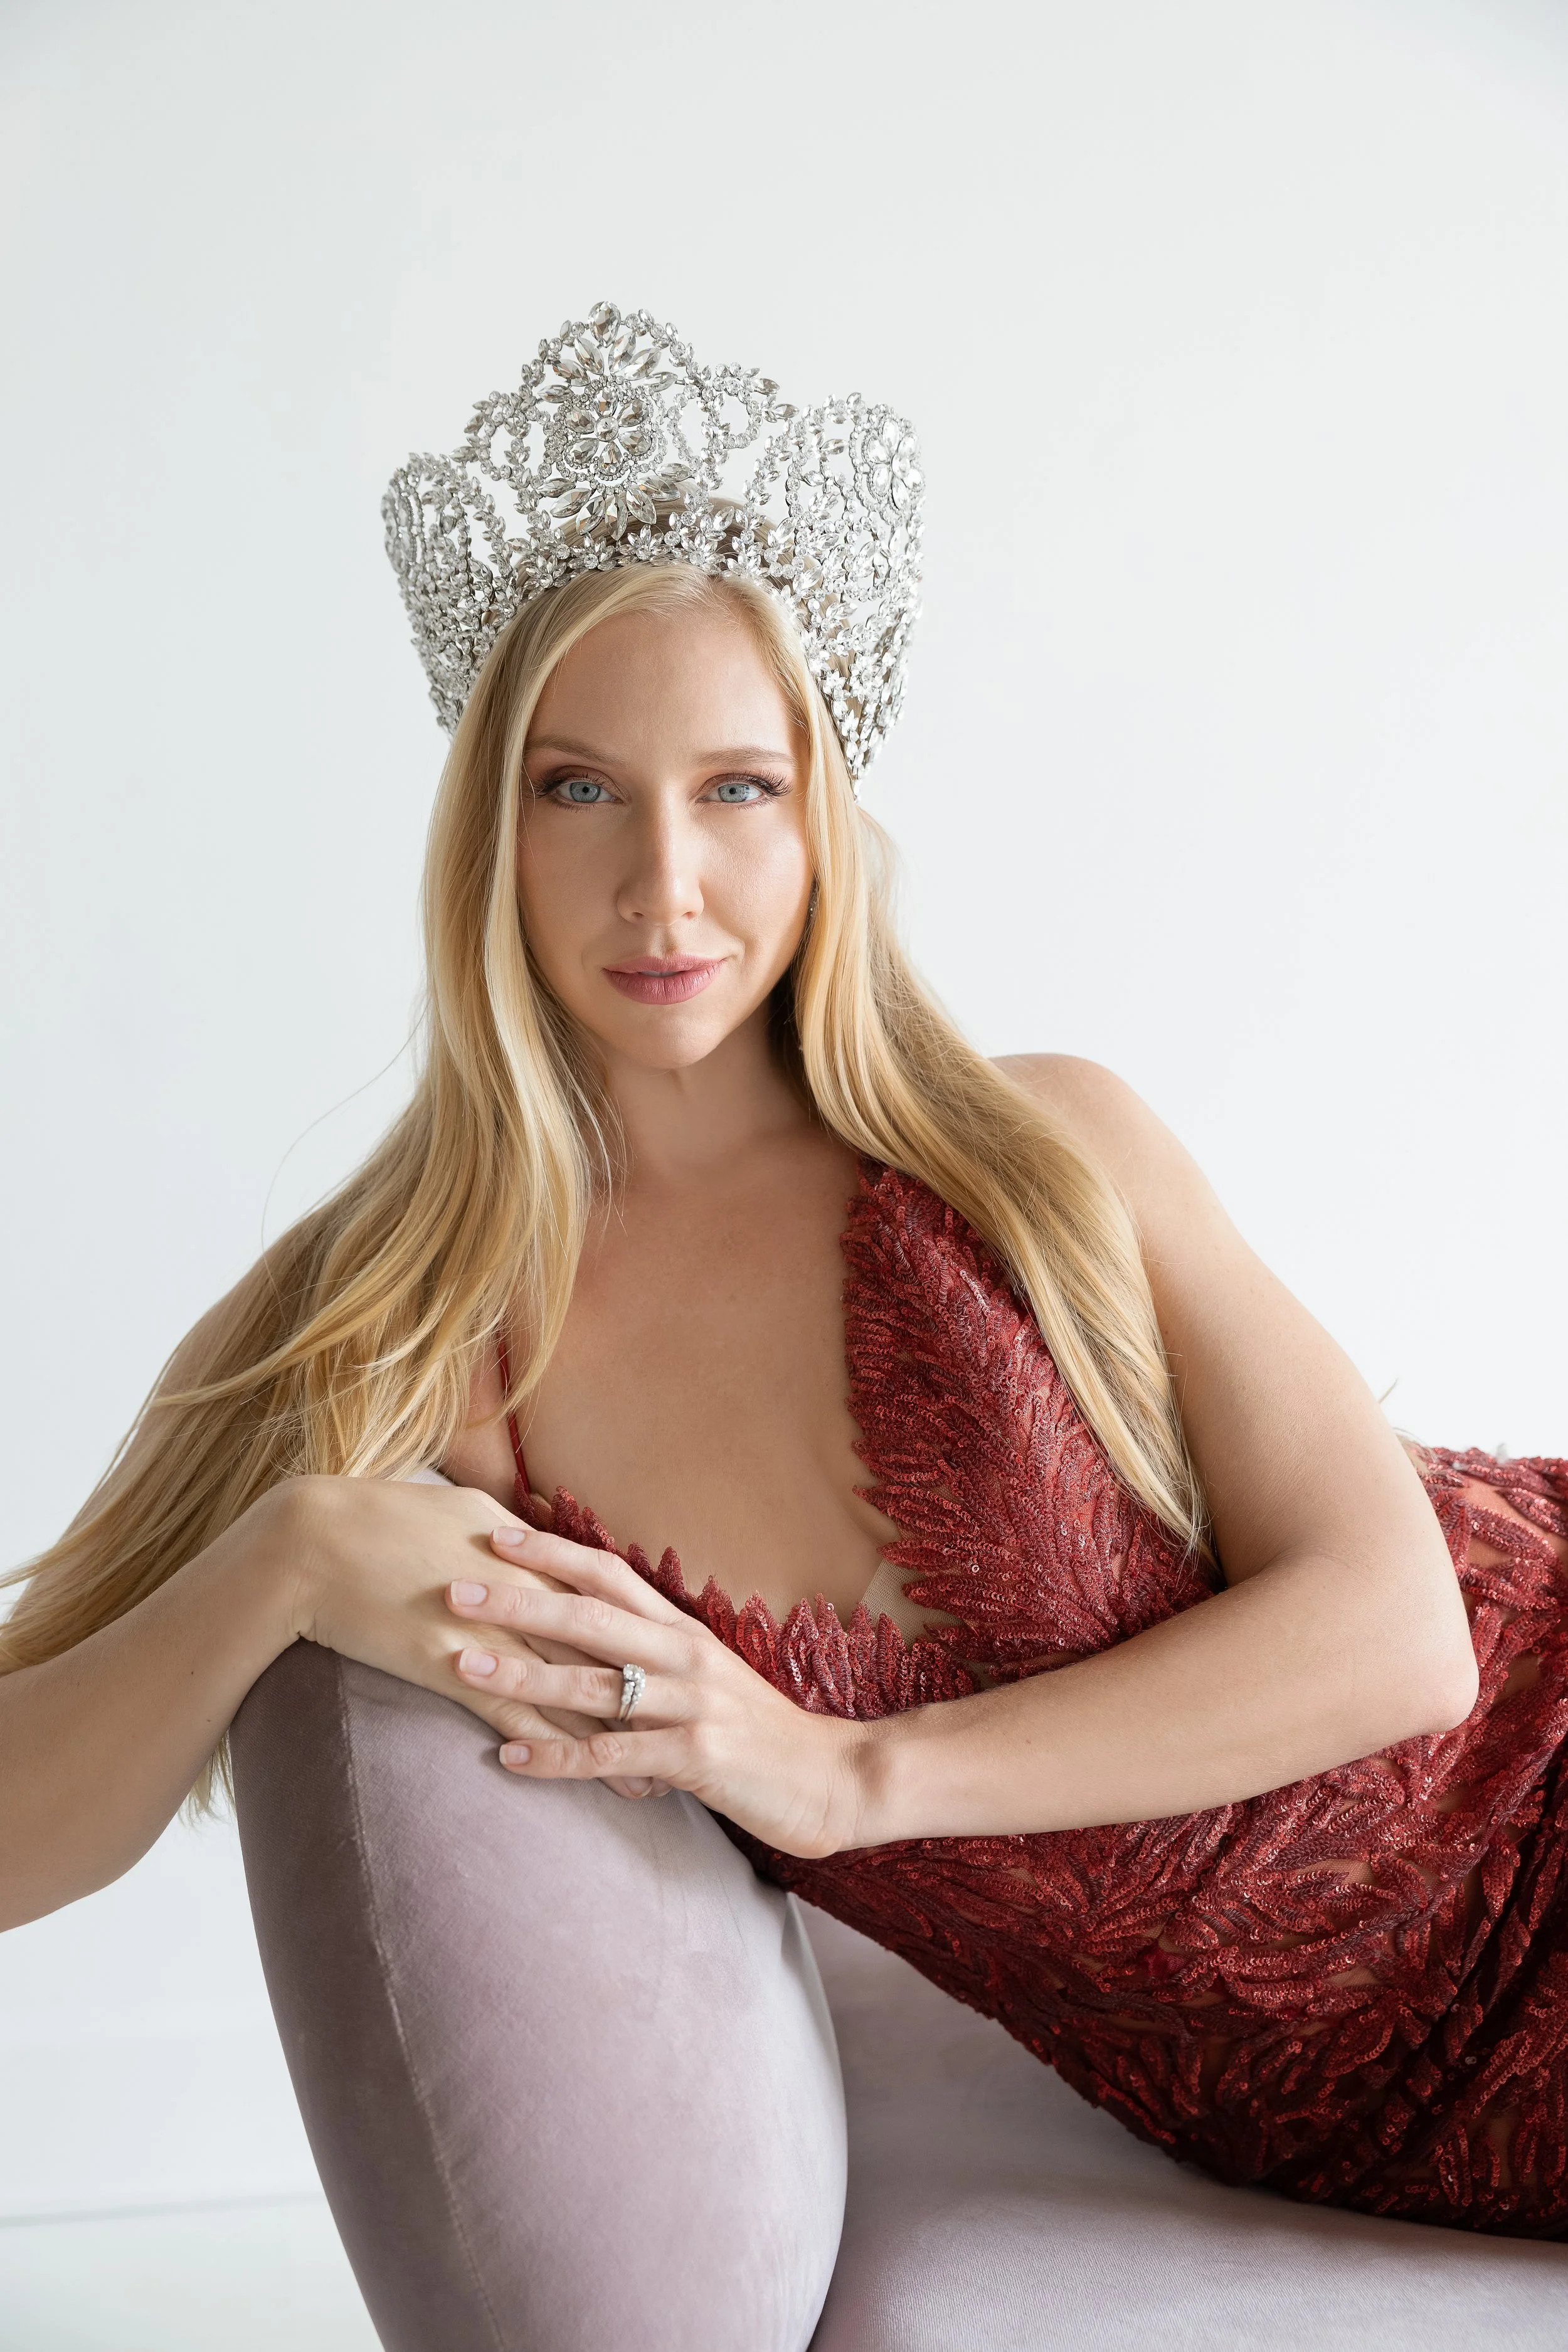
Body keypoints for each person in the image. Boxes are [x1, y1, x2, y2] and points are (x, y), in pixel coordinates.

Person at [2, 303, 1564, 2243]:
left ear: (820, 816)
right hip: (1372, 2087)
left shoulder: (1040, 1153)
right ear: (485, 827)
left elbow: (1401, 1636)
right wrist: (290, 1556)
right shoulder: (417, 1324)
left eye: (735, 788)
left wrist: (846, 1772)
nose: (665, 883)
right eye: (579, 789)